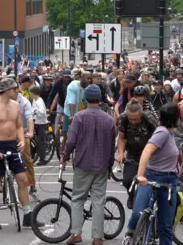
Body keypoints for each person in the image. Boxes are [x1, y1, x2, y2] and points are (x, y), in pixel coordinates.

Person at [61, 84, 116, 245]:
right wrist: (110, 165)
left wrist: (64, 156)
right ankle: (98, 237)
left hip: (83, 163)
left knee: (78, 198)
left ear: (85, 99)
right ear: (99, 99)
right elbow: (112, 146)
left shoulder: (79, 117)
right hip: (102, 165)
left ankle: (76, 233)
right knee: (98, 201)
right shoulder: (109, 120)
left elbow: (71, 141)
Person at [0, 78, 39, 229]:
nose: (18, 91)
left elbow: (19, 126)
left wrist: (21, 140)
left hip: (13, 145)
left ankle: (27, 215)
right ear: (7, 90)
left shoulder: (16, 105)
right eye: (15, 89)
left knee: (22, 179)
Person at [123, 103, 181, 245]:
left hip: (169, 181)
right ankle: (131, 231)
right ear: (175, 118)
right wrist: (141, 175)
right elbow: (147, 151)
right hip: (153, 176)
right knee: (139, 212)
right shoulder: (162, 133)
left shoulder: (170, 133)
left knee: (165, 226)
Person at [116, 99, 158, 190]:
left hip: (148, 153)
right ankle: (131, 197)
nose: (133, 121)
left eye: (136, 119)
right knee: (127, 180)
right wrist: (121, 154)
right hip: (132, 152)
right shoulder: (123, 119)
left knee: (146, 181)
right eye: (130, 119)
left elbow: (158, 137)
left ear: (140, 114)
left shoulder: (149, 118)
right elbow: (122, 138)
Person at [30, 86, 49, 165]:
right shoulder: (35, 100)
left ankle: (42, 158)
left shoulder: (40, 101)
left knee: (41, 141)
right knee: (37, 140)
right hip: (36, 122)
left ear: (34, 93)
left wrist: (36, 110)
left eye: (31, 93)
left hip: (41, 123)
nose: (30, 95)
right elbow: (32, 109)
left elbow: (42, 112)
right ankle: (37, 155)